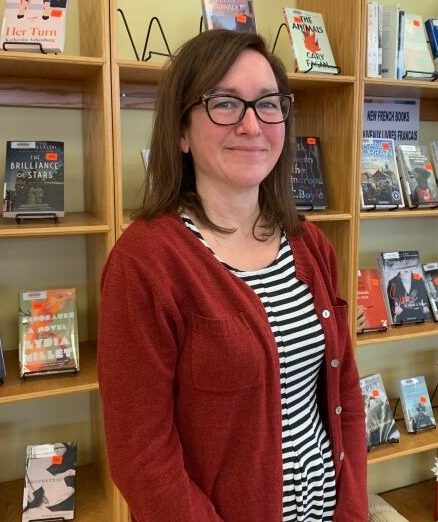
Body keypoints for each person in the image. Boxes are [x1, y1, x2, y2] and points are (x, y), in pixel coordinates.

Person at [98, 29, 367, 522]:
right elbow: (142, 458)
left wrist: (351, 509)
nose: (251, 125)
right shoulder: (145, 264)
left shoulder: (311, 246)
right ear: (180, 131)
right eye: (224, 103)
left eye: (268, 104)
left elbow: (343, 389)